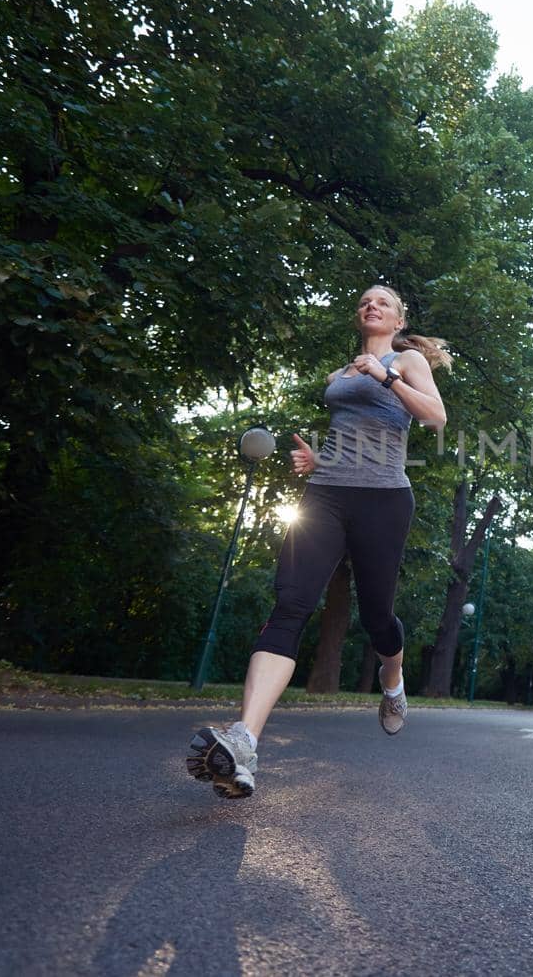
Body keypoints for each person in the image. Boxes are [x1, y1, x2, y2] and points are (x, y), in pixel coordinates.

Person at [186, 285, 449, 799]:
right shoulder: (338, 376)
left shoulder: (408, 359)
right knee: (290, 605)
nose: (370, 306)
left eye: (383, 302)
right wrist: (319, 460)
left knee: (377, 617)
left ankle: (391, 681)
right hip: (326, 494)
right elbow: (348, 437)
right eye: (364, 302)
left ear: (398, 319)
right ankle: (243, 744)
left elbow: (435, 418)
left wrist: (388, 375)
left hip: (384, 499)